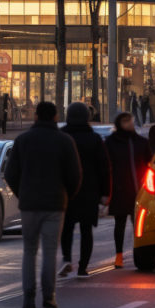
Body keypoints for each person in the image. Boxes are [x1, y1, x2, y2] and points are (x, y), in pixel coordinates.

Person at [4, 101, 81, 308]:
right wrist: (66, 195)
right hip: (55, 204)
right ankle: (49, 296)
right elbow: (75, 176)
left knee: (29, 251)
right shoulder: (64, 141)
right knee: (49, 252)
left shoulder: (22, 140)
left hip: (29, 204)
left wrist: (23, 194)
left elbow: (10, 174)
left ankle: (28, 297)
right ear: (56, 117)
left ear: (36, 116)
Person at [59, 103, 111, 278]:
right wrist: (105, 193)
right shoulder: (94, 139)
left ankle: (66, 258)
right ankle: (83, 267)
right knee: (86, 230)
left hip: (67, 191)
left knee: (66, 227)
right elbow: (104, 167)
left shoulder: (63, 136)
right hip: (90, 191)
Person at [104, 112, 152, 268]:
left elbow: (149, 164)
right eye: (125, 121)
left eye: (130, 120)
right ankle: (119, 255)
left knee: (138, 224)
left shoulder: (141, 142)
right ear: (119, 124)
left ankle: (139, 254)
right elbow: (105, 167)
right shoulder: (111, 142)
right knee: (120, 224)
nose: (129, 123)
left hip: (139, 190)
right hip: (119, 190)